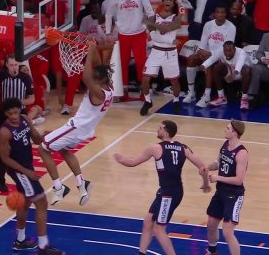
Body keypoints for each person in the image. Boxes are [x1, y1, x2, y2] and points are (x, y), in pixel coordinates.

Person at [113, 120, 211, 255]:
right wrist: (205, 183)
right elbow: (203, 167)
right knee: (148, 221)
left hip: (169, 194)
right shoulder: (183, 147)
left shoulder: (155, 148)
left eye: (160, 128)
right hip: (170, 191)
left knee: (159, 229)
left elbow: (132, 163)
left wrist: (120, 158)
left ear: (166, 132)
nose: (157, 130)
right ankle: (142, 253)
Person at [38, 44, 113, 206]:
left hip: (76, 128)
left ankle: (58, 187)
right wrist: (93, 49)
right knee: (63, 149)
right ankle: (81, 183)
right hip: (84, 130)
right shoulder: (109, 88)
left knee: (43, 147)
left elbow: (86, 78)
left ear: (98, 80)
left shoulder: (98, 93)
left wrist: (86, 56)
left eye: (94, 78)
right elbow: (99, 66)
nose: (91, 79)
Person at [0, 98, 63, 254]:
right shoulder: (4, 132)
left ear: (20, 110)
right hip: (18, 170)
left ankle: (20, 240)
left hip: (28, 166)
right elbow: (5, 159)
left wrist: (49, 135)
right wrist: (26, 172)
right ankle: (43, 246)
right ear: (5, 113)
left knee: (25, 203)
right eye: (10, 113)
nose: (14, 116)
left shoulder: (25, 119)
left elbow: (36, 139)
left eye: (15, 112)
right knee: (41, 202)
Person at [0, 53, 34, 192]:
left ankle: (26, 173)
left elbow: (32, 98)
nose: (13, 67)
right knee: (1, 149)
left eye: (15, 65)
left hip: (21, 114)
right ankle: (0, 181)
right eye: (11, 65)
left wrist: (18, 104)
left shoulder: (26, 78)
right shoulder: (2, 75)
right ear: (7, 65)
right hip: (4, 115)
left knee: (23, 145)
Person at [105, 0, 154, 100]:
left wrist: (149, 26)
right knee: (123, 63)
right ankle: (124, 91)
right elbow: (108, 15)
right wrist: (108, 33)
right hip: (123, 34)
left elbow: (150, 12)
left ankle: (144, 91)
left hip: (139, 33)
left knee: (141, 63)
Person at [205, 119, 248, 255]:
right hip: (221, 192)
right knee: (211, 224)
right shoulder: (225, 144)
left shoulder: (242, 153)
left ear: (234, 133)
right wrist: (207, 167)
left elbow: (239, 180)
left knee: (228, 232)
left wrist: (218, 178)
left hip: (234, 195)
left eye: (227, 128)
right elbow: (219, 163)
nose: (225, 130)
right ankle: (212, 251)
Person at [140, 0, 182, 115]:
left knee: (174, 81)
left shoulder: (176, 18)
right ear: (163, 2)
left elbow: (164, 30)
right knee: (145, 79)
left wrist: (150, 23)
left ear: (173, 4)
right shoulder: (154, 17)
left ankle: (176, 100)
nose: (169, 1)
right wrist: (170, 40)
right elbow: (153, 37)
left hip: (170, 54)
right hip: (156, 52)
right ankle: (147, 101)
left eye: (171, 0)